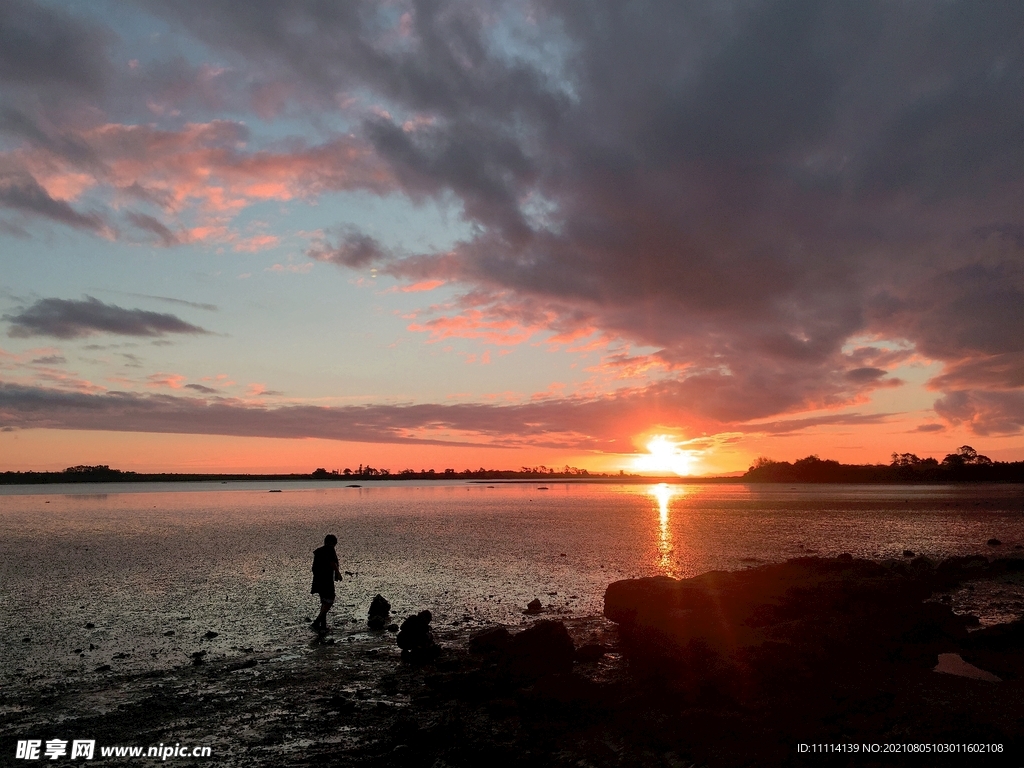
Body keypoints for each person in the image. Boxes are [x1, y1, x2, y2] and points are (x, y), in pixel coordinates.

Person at [310, 534, 342, 632]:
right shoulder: (330, 549)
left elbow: (314, 567)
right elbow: (332, 563)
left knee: (324, 601)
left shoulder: (319, 551)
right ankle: (317, 622)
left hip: (317, 579)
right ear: (332, 543)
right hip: (326, 580)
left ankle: (323, 626)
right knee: (330, 600)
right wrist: (338, 573)